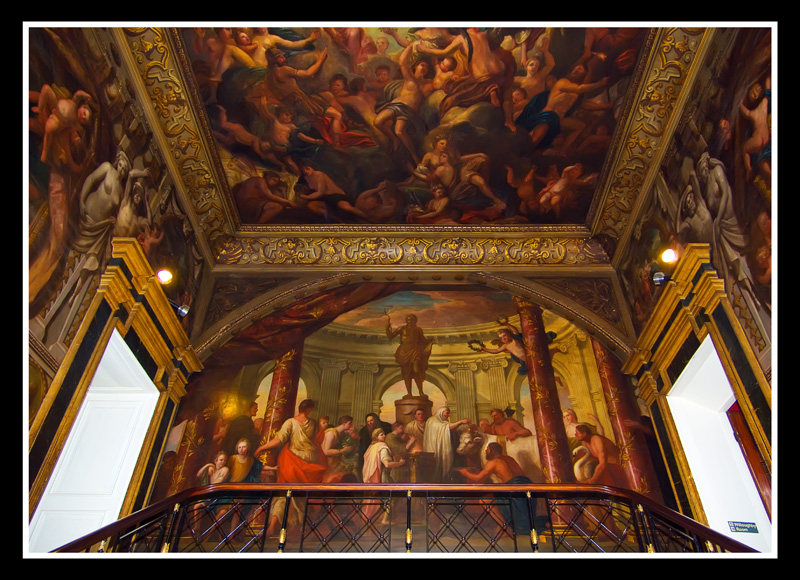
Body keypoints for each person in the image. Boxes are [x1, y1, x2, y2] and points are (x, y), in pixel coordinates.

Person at [457, 442, 541, 534]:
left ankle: (506, 528)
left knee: (485, 500)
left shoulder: (494, 462)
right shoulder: (509, 459)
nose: (485, 452)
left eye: (487, 450)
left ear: (492, 452)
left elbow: (479, 478)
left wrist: (465, 473)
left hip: (514, 489)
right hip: (526, 487)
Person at [373, 42, 430, 165]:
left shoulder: (427, 83)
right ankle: (394, 140)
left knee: (399, 131)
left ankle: (415, 158)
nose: (424, 68)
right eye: (422, 65)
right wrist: (410, 46)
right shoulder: (409, 78)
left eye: (426, 67)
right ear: (416, 66)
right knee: (377, 122)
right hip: (396, 105)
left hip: (408, 111)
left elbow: (439, 83)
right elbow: (403, 62)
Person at [386, 313, 434, 397]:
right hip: (403, 352)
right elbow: (391, 336)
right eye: (408, 320)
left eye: (412, 320)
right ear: (406, 321)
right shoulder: (402, 329)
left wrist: (430, 341)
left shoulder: (418, 330)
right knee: (407, 373)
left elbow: (423, 340)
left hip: (415, 351)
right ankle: (409, 393)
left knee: (416, 370)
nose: (410, 321)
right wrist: (387, 328)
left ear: (415, 321)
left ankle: (421, 392)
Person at [423, 407, 470, 482]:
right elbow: (447, 428)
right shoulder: (432, 420)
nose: (448, 415)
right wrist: (461, 422)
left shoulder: (442, 421)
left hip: (441, 448)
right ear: (441, 412)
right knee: (435, 469)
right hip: (434, 449)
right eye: (447, 413)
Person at [321, 415, 358, 483]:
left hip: (332, 463)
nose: (351, 426)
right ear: (343, 424)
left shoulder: (337, 433)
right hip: (325, 463)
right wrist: (343, 450)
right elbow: (326, 451)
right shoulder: (331, 433)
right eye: (349, 424)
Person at [357, 413, 393, 479]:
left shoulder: (386, 427)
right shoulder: (363, 431)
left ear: (375, 420)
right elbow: (362, 448)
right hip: (371, 455)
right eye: (368, 421)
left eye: (371, 420)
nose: (370, 423)